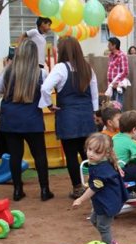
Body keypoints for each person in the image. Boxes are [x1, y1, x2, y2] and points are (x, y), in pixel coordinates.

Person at [39, 36, 99, 199]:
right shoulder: (87, 68)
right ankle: (96, 184)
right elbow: (94, 95)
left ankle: (78, 188)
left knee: (71, 154)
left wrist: (49, 105)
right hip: (86, 115)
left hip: (68, 117)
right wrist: (94, 113)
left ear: (63, 51)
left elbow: (45, 88)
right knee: (89, 153)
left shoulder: (60, 68)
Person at [0, 39, 52, 202]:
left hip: (11, 120)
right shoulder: (41, 73)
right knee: (40, 155)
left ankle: (17, 190)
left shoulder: (8, 71)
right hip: (32, 120)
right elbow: (47, 91)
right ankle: (45, 190)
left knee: (15, 156)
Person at [72, 133, 129, 244]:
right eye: (89, 149)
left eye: (97, 152)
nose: (91, 154)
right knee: (94, 220)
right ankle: (109, 241)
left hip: (108, 201)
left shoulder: (101, 170)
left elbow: (93, 188)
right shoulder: (100, 161)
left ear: (106, 153)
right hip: (102, 200)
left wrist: (80, 199)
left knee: (103, 226)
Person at [106, 37, 129, 105]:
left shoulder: (122, 56)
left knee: (118, 106)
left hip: (118, 85)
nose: (108, 46)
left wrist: (116, 82)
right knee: (112, 107)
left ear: (114, 45)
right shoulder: (111, 56)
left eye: (109, 44)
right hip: (111, 85)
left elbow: (125, 71)